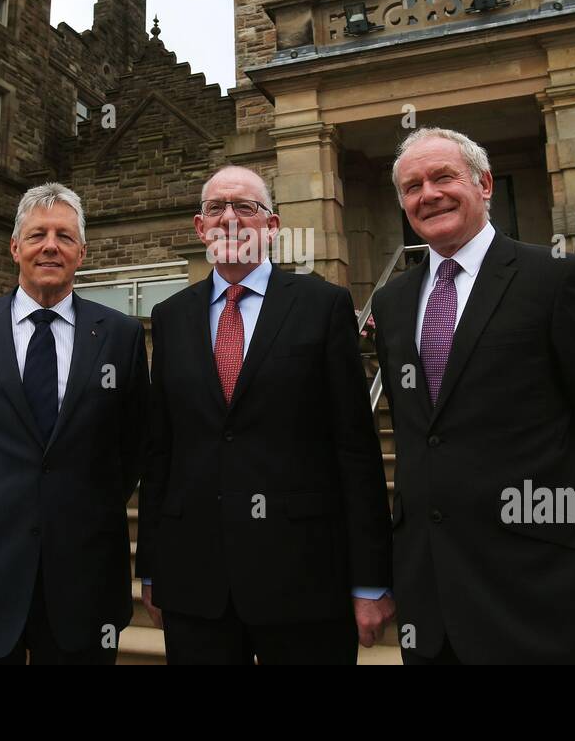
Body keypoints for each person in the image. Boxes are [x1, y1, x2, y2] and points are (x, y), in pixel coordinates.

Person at [372, 127, 575, 664]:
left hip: (543, 593)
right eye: (411, 187)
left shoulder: (556, 279)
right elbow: (420, 436)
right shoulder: (392, 303)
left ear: (484, 184)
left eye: (443, 177)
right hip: (432, 605)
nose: (427, 194)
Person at [136, 165, 393, 664]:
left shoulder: (324, 306)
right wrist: (151, 568)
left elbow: (355, 448)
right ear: (200, 227)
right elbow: (160, 451)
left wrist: (369, 578)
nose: (229, 218)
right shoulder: (170, 318)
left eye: (246, 207)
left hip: (306, 580)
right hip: (195, 582)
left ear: (271, 227)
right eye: (216, 208)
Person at [0, 183, 149, 664]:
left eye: (64, 236)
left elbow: (133, 448)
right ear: (15, 247)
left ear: (81, 252)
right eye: (38, 234)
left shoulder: (120, 337)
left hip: (81, 579)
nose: (50, 246)